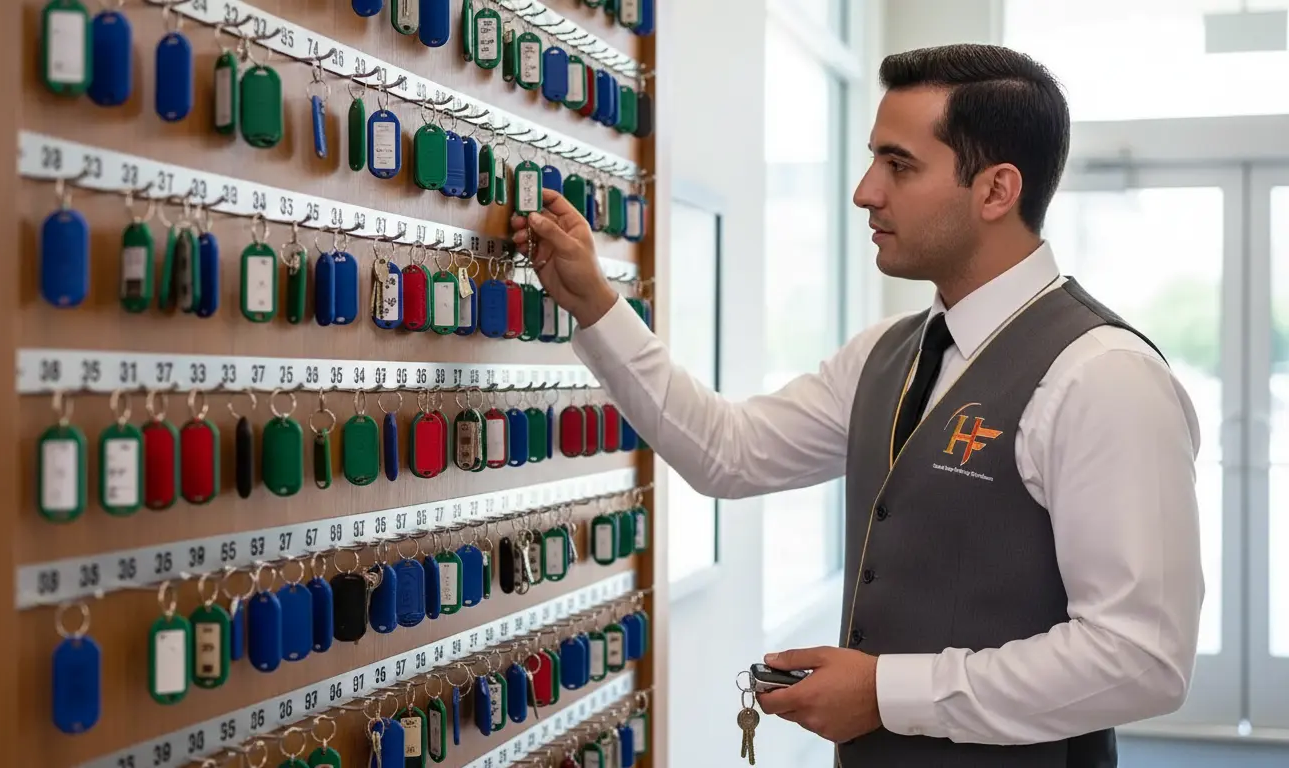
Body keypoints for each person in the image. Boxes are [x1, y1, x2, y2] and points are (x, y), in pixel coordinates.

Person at [510, 43, 1203, 767]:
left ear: (996, 191)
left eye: (899, 166)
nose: (866, 192)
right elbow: (728, 451)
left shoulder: (1103, 376)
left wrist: (885, 693)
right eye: (874, 159)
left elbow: (1142, 658)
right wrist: (597, 305)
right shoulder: (886, 353)